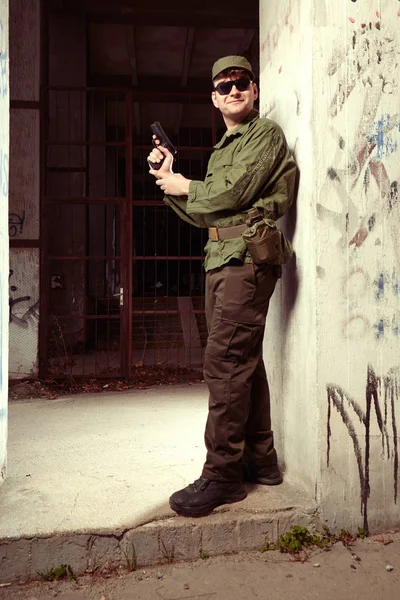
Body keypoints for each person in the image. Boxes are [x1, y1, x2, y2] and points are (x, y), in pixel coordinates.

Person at [147, 55, 297, 517]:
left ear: (254, 90)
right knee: (242, 361)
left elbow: (232, 193)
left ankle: (222, 476)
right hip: (221, 260)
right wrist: (166, 182)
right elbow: (204, 212)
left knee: (225, 363)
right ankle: (259, 459)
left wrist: (184, 183)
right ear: (214, 99)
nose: (233, 90)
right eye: (224, 86)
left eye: (241, 83)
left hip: (248, 259)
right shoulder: (221, 150)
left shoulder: (264, 135)